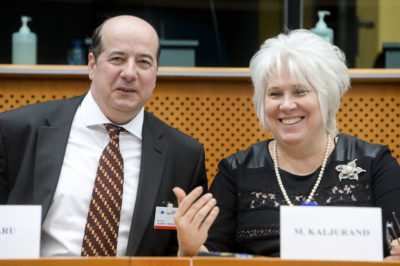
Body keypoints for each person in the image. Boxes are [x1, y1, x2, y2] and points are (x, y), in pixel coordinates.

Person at [173, 29, 400, 258]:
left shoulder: (375, 164)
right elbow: (209, 256)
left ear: (329, 98)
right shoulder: (236, 171)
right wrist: (189, 248)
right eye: (275, 94)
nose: (287, 105)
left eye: (300, 91)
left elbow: (395, 248)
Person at [0, 15, 207, 256]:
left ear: (156, 73)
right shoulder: (18, 131)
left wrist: (188, 249)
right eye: (117, 59)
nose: (129, 73)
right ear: (92, 65)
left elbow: (181, 251)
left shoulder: (184, 156)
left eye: (144, 62)